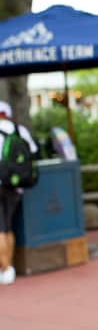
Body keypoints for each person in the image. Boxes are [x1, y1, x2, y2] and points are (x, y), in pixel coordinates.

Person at [0, 100, 38, 285]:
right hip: (15, 185)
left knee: (0, 228)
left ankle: (6, 269)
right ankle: (9, 267)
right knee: (8, 226)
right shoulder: (19, 130)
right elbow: (33, 151)